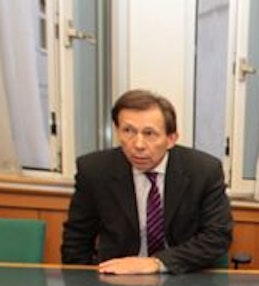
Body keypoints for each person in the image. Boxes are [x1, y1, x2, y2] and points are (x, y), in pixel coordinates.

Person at [62, 89, 233, 275]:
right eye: (128, 131)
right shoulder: (95, 171)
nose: (138, 145)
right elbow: (76, 240)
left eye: (149, 133)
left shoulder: (203, 171)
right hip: (118, 278)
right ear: (117, 131)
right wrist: (85, 284)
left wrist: (158, 263)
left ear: (171, 139)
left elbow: (217, 237)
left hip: (181, 275)